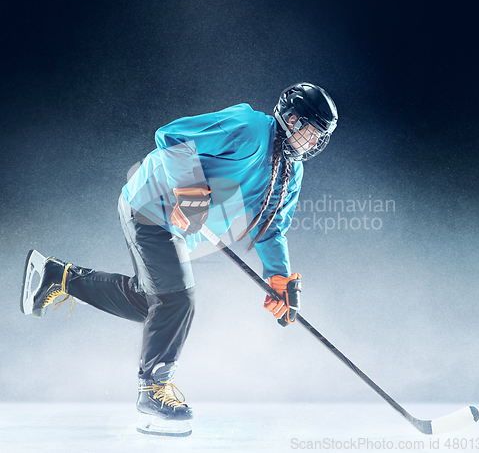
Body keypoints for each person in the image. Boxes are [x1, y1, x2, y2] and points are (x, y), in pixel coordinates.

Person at [20, 82, 338, 436]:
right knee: (177, 301)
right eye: (311, 132)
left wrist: (279, 278)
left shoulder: (292, 173)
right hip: (151, 202)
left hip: (178, 225)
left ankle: (60, 276)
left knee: (154, 304)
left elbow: (271, 227)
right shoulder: (249, 128)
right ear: (291, 120)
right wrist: (190, 189)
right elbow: (171, 135)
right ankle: (152, 391)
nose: (314, 143)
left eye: (319, 138)